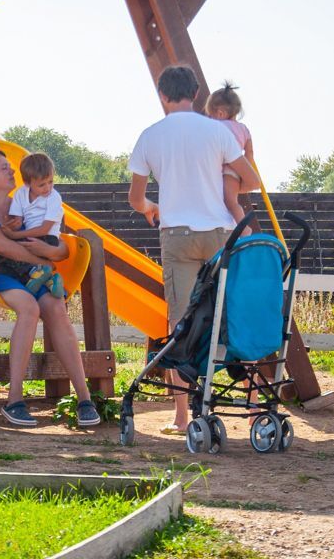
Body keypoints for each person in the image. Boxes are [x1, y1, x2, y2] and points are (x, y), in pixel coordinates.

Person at [127, 65, 260, 435]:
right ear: (196, 93)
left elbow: (135, 198)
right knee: (231, 319)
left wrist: (152, 207)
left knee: (179, 324)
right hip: (221, 233)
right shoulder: (217, 131)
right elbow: (250, 178)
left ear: (163, 96)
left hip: (178, 235)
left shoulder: (150, 135)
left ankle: (182, 415)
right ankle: (251, 407)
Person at [0, 150, 101, 428]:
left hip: (27, 271)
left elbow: (56, 243)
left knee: (55, 306)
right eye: (4, 168)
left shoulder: (23, 201)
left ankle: (84, 398)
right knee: (29, 307)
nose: (13, 171)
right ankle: (14, 399)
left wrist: (56, 252)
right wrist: (44, 259)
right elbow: (1, 246)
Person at [0, 152, 65, 298]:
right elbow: (19, 220)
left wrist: (16, 235)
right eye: (42, 185)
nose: (48, 188)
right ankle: (50, 281)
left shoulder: (53, 197)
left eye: (51, 182)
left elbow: (45, 228)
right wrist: (11, 226)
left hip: (47, 238)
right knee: (3, 264)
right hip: (30, 234)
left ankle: (35, 273)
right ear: (27, 183)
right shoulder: (21, 194)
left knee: (12, 254)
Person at [206, 83, 255, 236]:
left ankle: (244, 229)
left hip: (223, 168)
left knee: (229, 202)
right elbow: (249, 154)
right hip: (236, 170)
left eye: (210, 114)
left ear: (220, 113)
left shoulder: (216, 126)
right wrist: (245, 174)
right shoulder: (244, 129)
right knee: (231, 201)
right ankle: (237, 226)